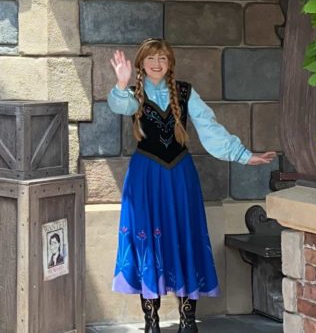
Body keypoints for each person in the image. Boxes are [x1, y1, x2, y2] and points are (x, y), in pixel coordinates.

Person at [108, 38, 276, 333]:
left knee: (184, 235)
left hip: (179, 175)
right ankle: (151, 321)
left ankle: (187, 320)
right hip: (146, 178)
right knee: (147, 240)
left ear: (170, 62)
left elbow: (209, 128)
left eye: (162, 58)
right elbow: (119, 106)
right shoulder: (134, 93)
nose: (157, 63)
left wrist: (243, 155)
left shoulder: (185, 92)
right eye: (151, 58)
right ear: (141, 63)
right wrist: (121, 84)